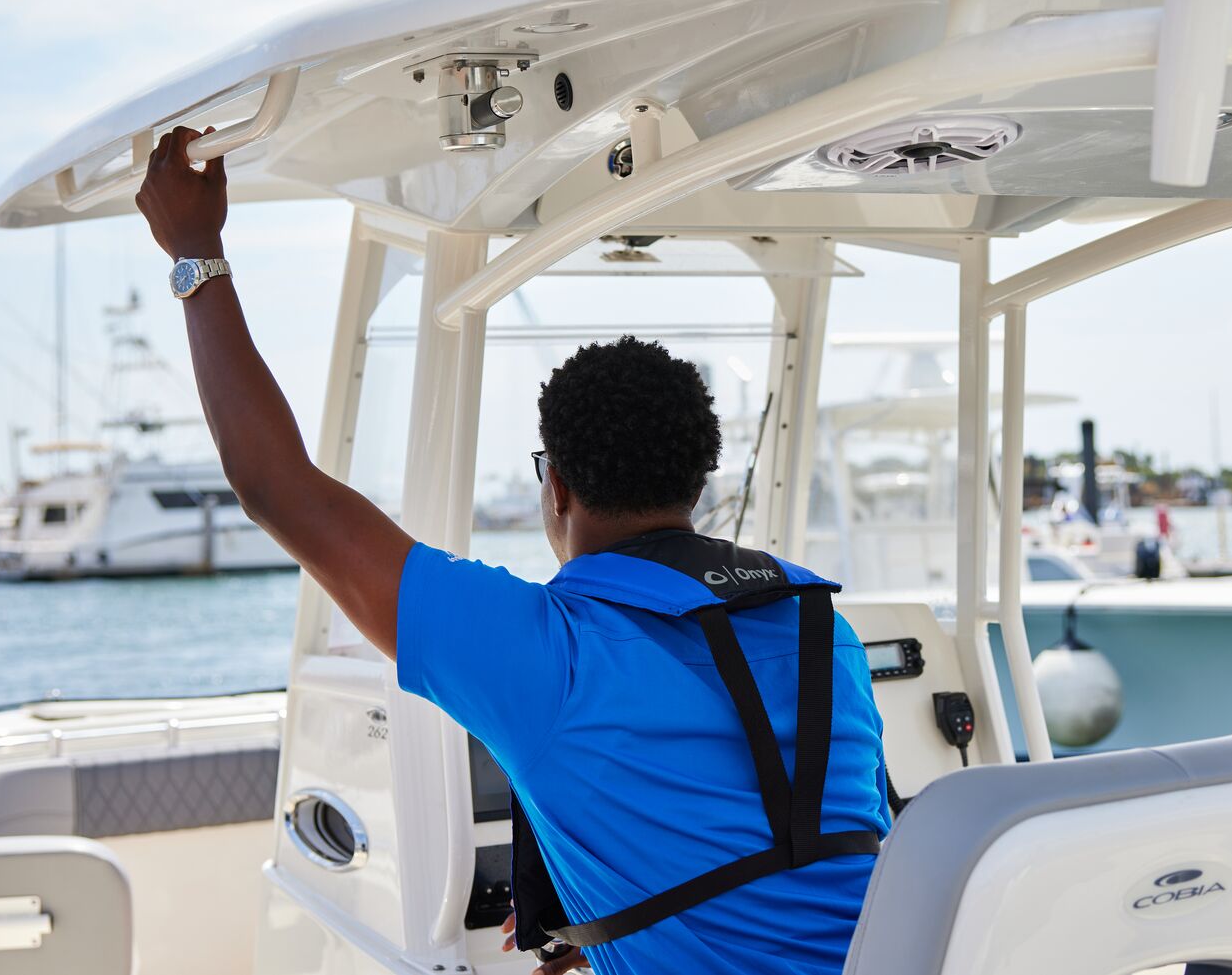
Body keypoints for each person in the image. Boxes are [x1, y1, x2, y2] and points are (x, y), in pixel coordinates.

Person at [136, 127, 892, 975]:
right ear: (699, 483)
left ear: (557, 486)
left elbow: (274, 485)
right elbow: (820, 849)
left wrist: (194, 254)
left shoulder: (552, 656)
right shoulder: (824, 629)